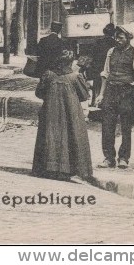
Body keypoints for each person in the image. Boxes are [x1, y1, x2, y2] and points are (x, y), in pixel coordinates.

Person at [32, 50, 94, 181]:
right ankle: (69, 169)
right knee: (71, 135)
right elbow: (84, 96)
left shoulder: (48, 75)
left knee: (49, 135)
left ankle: (47, 168)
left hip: (50, 112)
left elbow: (39, 93)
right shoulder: (74, 77)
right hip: (71, 112)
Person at [97, 26, 134, 169]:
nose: (117, 40)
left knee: (126, 126)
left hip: (127, 93)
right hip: (111, 92)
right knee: (107, 125)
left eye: (121, 38)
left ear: (128, 39)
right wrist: (101, 94)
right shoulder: (111, 52)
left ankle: (124, 158)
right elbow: (105, 74)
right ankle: (108, 158)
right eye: (116, 37)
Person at [89, 23, 118, 107]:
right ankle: (106, 106)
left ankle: (95, 106)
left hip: (98, 69)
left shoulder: (98, 42)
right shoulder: (115, 43)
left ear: (104, 32)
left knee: (97, 88)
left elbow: (92, 55)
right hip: (109, 69)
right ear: (113, 33)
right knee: (107, 88)